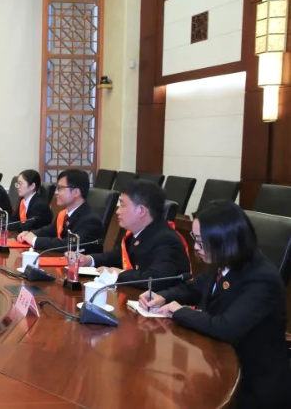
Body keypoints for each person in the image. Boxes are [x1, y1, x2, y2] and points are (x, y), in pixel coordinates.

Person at [140, 201, 291, 408]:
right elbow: (193, 289)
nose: (196, 247)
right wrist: (162, 297)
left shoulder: (261, 278)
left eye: (201, 241)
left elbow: (226, 327)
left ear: (225, 240)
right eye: (195, 239)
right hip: (217, 365)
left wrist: (179, 311)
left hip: (251, 385)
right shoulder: (225, 262)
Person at [74, 180, 190, 290]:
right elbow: (116, 257)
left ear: (141, 211)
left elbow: (155, 279)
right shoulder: (138, 232)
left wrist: (120, 273)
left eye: (123, 205)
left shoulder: (166, 240)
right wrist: (88, 260)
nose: (118, 211)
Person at [16, 169, 103, 253]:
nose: (56, 192)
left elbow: (69, 245)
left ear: (76, 192)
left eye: (60, 188)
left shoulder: (90, 220)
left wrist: (35, 240)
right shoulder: (64, 214)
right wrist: (29, 234)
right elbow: (48, 231)